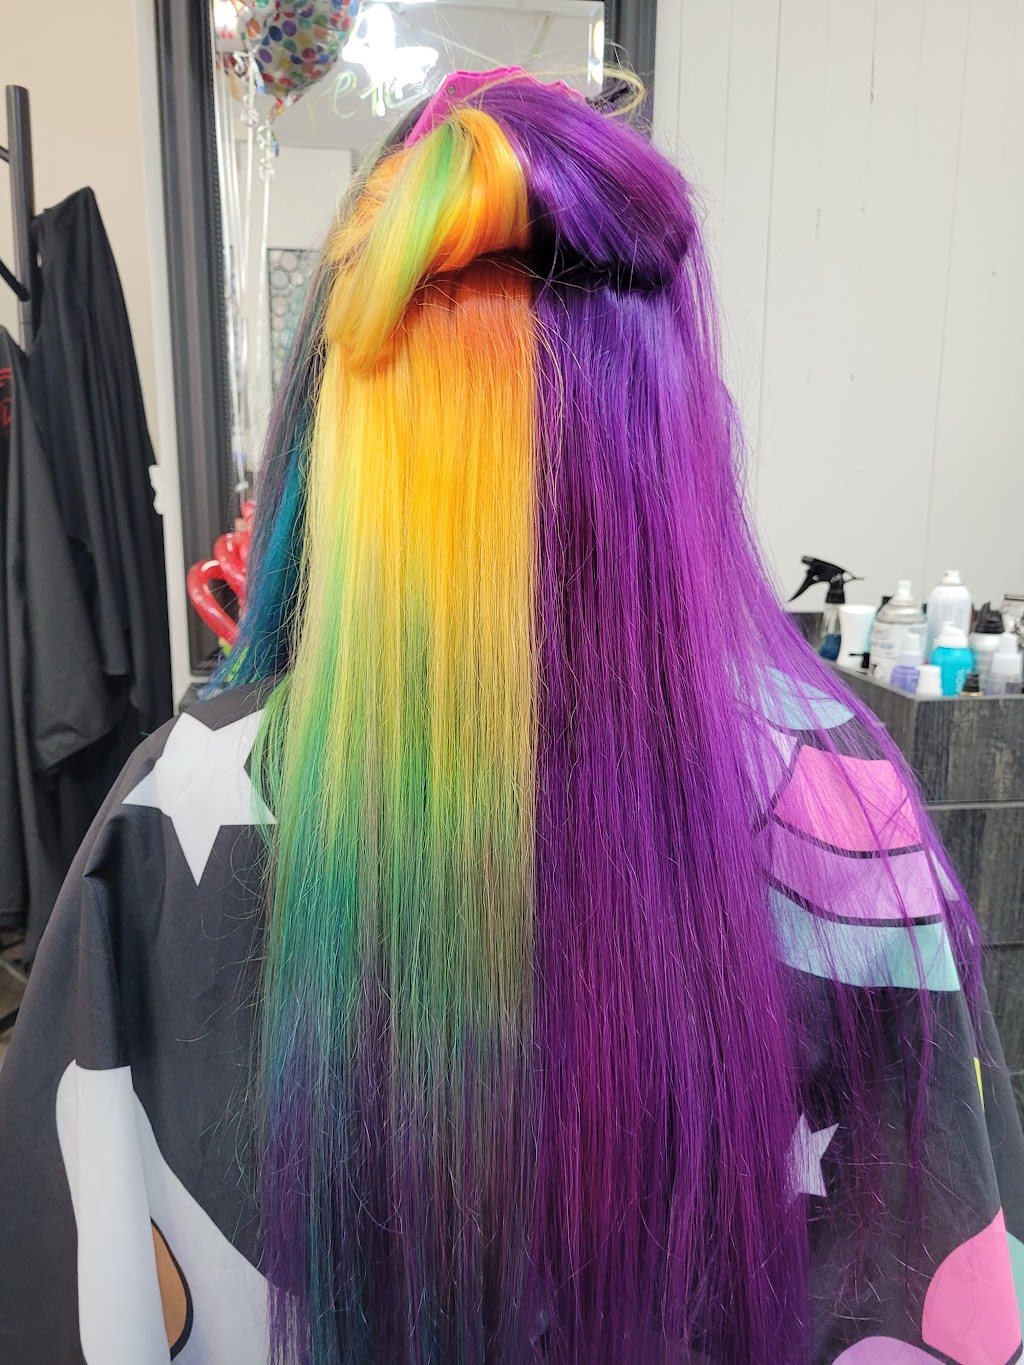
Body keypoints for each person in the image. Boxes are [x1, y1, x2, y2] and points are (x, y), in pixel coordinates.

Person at [1, 70, 1021, 1365]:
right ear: (676, 423)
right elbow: (956, 1286)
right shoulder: (839, 796)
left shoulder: (181, 812)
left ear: (344, 434)